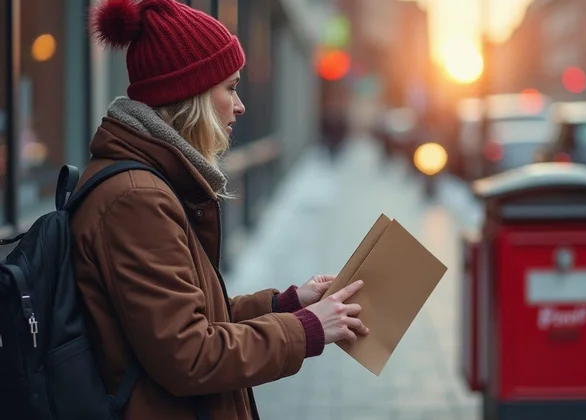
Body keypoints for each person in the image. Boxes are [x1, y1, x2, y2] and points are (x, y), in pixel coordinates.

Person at [71, 1, 369, 419]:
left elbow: (192, 318)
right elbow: (189, 355)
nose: (240, 105)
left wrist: (288, 303)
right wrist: (308, 329)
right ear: (189, 94)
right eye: (230, 87)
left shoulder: (153, 184)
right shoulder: (136, 199)